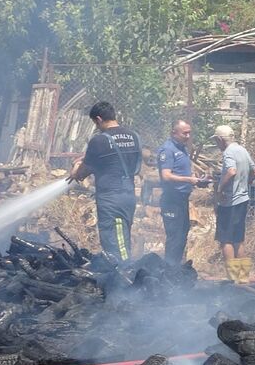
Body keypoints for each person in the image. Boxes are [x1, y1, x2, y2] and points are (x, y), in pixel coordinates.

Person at [67, 101, 142, 262]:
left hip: (110, 199)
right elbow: (129, 163)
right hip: (129, 195)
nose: (96, 127)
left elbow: (82, 173)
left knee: (115, 243)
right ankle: (120, 276)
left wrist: (76, 167)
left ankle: (125, 279)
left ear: (99, 119)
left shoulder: (99, 141)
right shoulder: (134, 136)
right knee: (123, 236)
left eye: (96, 123)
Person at [157, 119, 205, 264]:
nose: (188, 136)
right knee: (174, 237)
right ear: (174, 133)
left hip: (182, 199)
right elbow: (166, 175)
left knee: (182, 234)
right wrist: (188, 180)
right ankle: (169, 271)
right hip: (172, 199)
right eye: (185, 133)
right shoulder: (167, 150)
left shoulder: (182, 148)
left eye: (189, 133)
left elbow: (182, 171)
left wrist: (195, 178)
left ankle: (176, 268)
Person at [213, 125, 254, 282]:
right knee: (238, 240)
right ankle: (243, 279)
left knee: (226, 240)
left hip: (230, 203)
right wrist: (244, 185)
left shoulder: (228, 152)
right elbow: (254, 171)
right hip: (243, 200)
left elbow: (231, 171)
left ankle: (232, 279)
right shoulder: (243, 150)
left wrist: (220, 188)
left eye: (217, 141)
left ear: (220, 140)